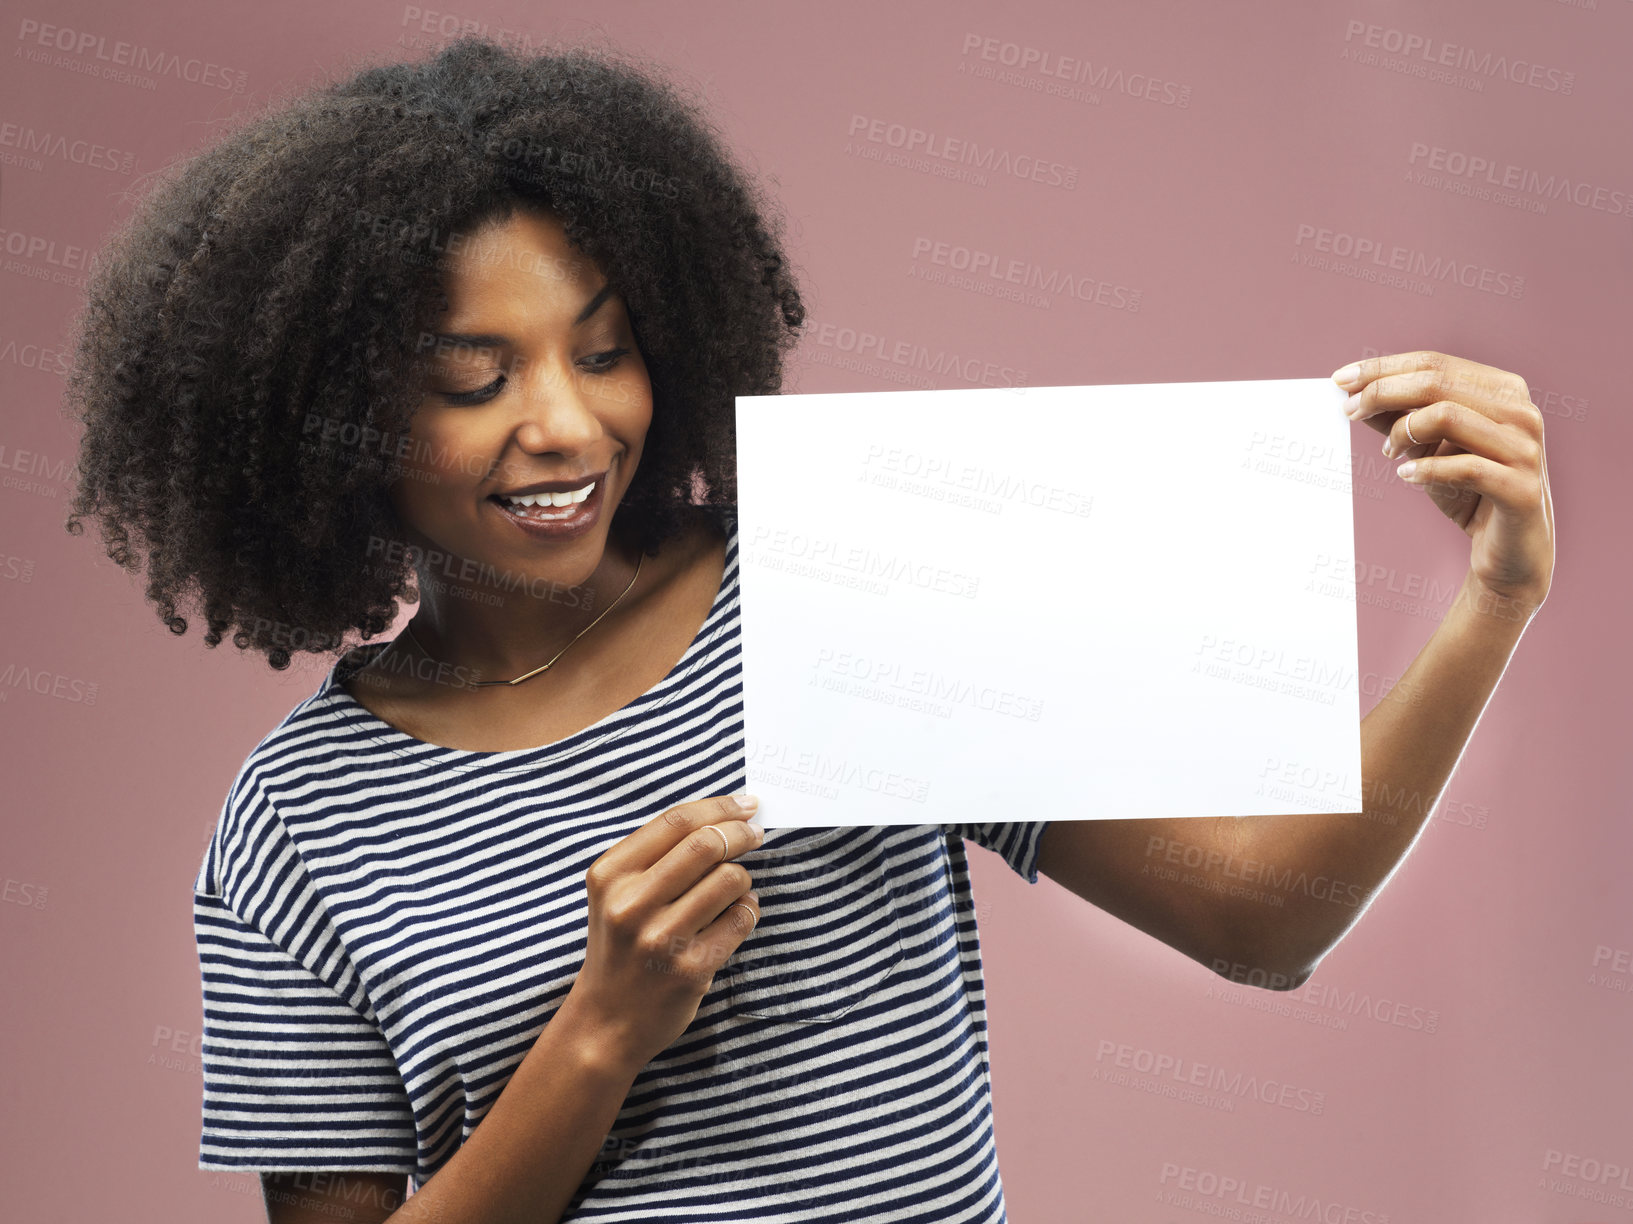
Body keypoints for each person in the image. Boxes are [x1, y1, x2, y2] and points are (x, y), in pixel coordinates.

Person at [60, 34, 1555, 1224]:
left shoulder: (839, 584)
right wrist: (599, 1032)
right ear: (327, 423)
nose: (569, 425)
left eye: (604, 349)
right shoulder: (295, 827)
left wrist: (1490, 598)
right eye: (472, 379)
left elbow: (1259, 922)